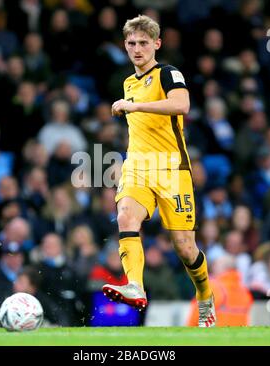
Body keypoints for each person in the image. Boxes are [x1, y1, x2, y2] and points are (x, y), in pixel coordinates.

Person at [102, 15, 216, 327]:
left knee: (184, 247)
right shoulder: (129, 82)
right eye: (131, 43)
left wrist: (134, 105)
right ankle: (135, 285)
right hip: (138, 167)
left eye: (143, 43)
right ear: (125, 46)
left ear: (157, 44)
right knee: (125, 216)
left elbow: (182, 105)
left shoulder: (168, 73)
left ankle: (204, 295)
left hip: (171, 170)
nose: (137, 49)